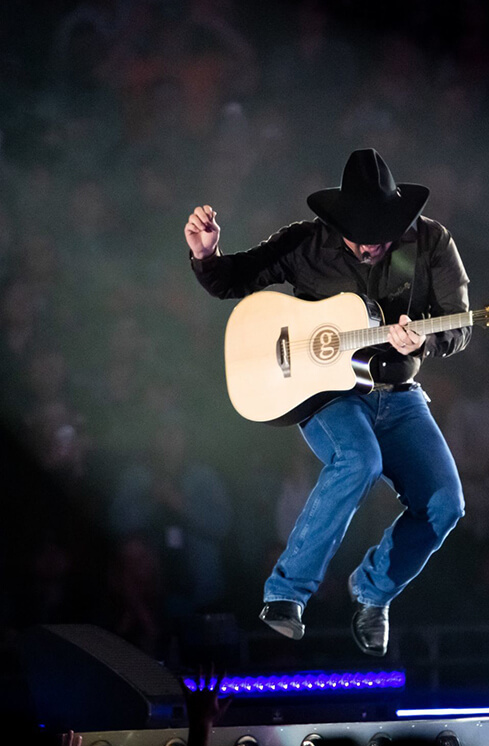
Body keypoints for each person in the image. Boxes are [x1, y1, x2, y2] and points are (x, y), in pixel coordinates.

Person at [184, 148, 470, 657]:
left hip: (399, 395)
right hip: (328, 394)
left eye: (378, 236)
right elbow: (233, 280)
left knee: (446, 503)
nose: (367, 247)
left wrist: (422, 342)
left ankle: (373, 591)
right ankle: (286, 593)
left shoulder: (429, 241)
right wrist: (206, 256)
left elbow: (459, 322)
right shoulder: (305, 243)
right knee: (358, 459)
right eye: (357, 236)